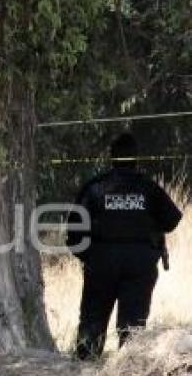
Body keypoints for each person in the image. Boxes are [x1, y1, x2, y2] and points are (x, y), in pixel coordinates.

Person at [66, 133, 182, 360]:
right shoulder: (149, 188)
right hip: (140, 263)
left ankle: (84, 370)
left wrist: (89, 257)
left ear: (112, 158)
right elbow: (172, 220)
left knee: (92, 323)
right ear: (136, 158)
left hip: (101, 261)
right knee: (132, 328)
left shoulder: (95, 187)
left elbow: (73, 232)